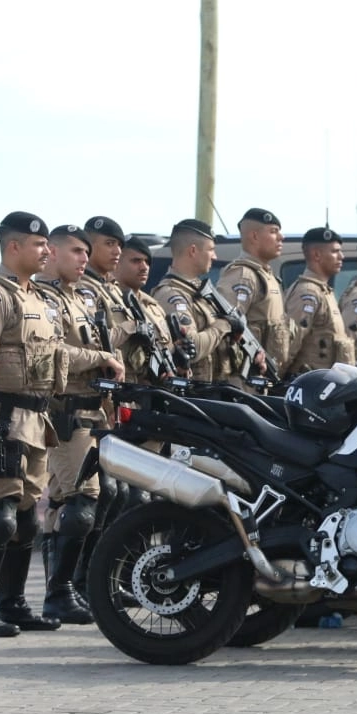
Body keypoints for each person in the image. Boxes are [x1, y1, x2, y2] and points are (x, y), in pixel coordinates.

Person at [0, 212, 71, 637]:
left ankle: (12, 603)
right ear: (14, 248)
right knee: (0, 515)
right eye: (39, 244)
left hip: (35, 419)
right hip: (2, 418)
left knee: (26, 518)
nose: (47, 251)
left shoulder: (40, 299)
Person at [35, 225, 124, 624]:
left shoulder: (80, 299)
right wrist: (100, 358)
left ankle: (73, 587)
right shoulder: (42, 299)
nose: (83, 258)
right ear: (51, 253)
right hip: (66, 412)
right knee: (80, 502)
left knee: (77, 501)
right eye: (75, 251)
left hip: (93, 410)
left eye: (86, 252)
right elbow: (51, 352)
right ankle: (60, 592)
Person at [152, 219, 234, 382]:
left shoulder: (199, 291)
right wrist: (225, 324)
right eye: (211, 250)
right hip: (192, 395)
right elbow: (192, 347)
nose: (215, 256)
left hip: (212, 390)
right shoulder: (171, 295)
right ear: (193, 250)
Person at [215, 208, 290, 379]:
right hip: (242, 380)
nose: (281, 237)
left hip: (261, 378)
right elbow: (225, 327)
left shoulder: (267, 276)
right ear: (254, 236)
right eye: (273, 232)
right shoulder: (243, 275)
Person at [110, 235, 188, 382]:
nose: (144, 267)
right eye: (136, 261)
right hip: (127, 388)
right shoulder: (108, 301)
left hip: (158, 390)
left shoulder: (154, 307)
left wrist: (178, 356)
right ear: (117, 263)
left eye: (147, 261)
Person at [283, 227, 355, 374]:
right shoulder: (308, 292)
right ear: (317, 255)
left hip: (325, 384)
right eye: (334, 251)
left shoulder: (323, 291)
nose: (341, 256)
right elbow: (289, 343)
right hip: (309, 383)